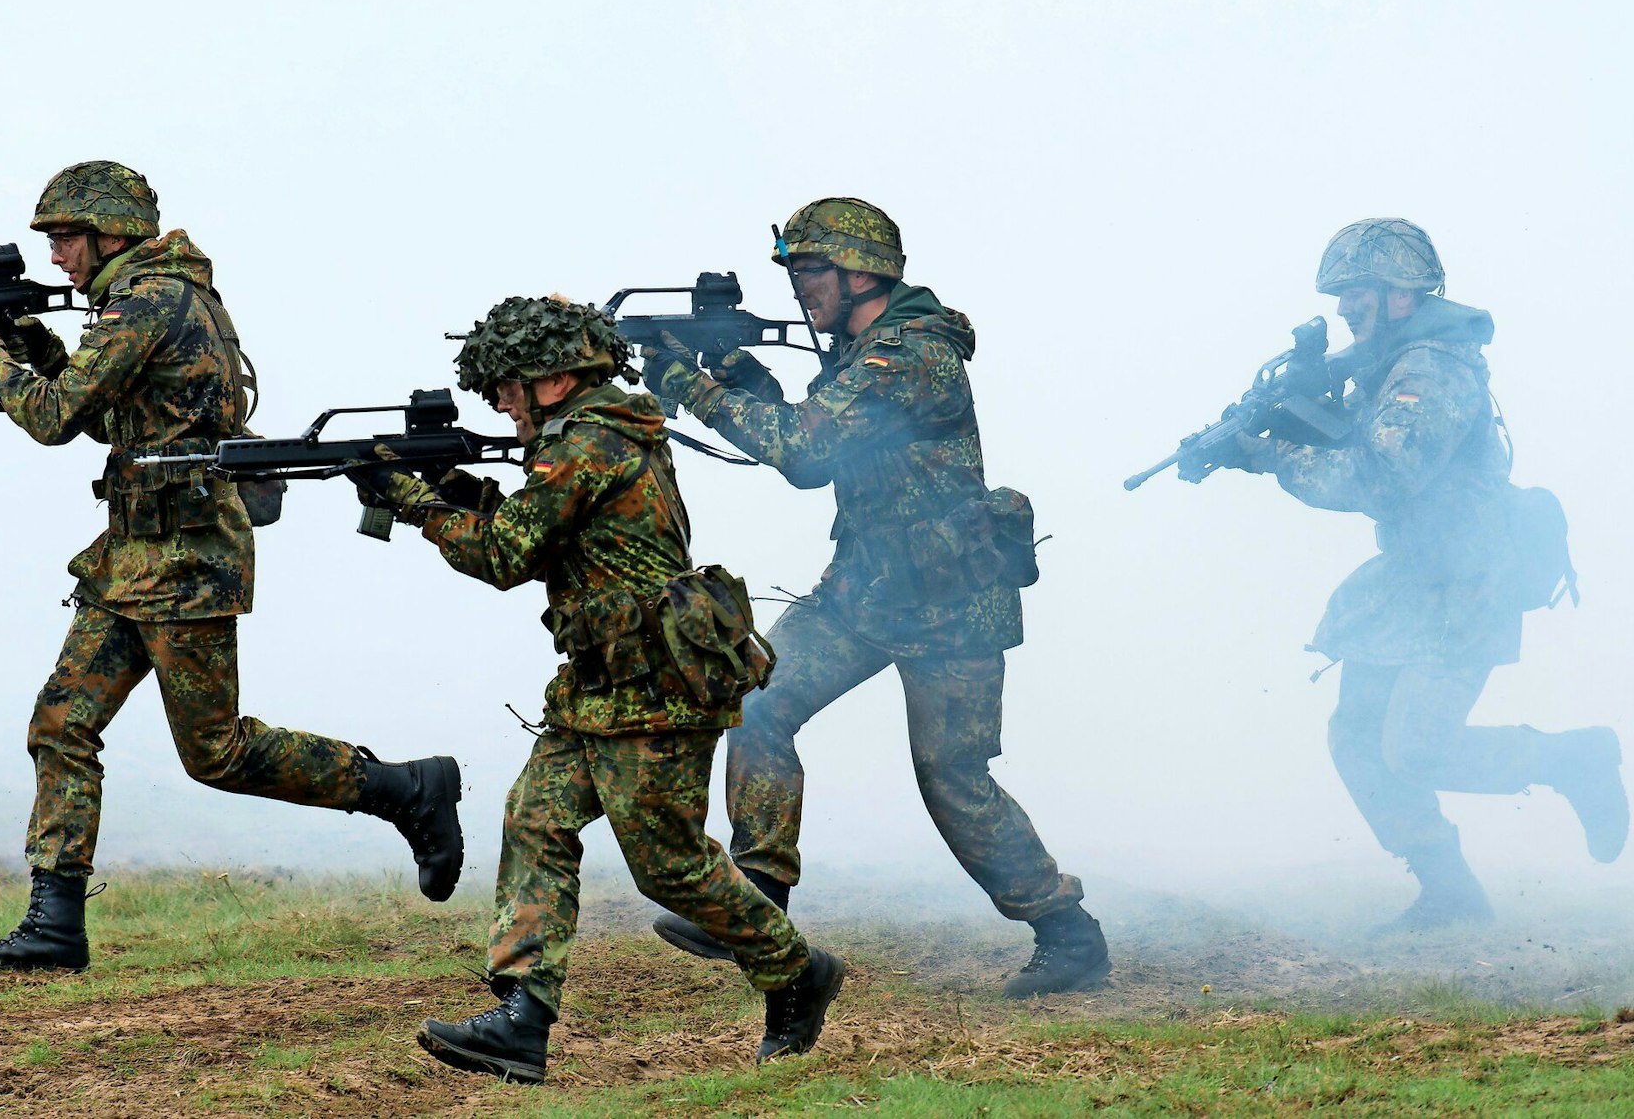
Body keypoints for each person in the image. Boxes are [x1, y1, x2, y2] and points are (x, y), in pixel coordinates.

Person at [0, 161, 463, 973]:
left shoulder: (150, 299)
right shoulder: (150, 295)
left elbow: (53, 416)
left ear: (112, 231)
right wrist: (32, 343)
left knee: (217, 752)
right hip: (132, 556)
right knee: (61, 724)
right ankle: (54, 924)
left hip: (184, 562)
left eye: (67, 239)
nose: (58, 258)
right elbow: (110, 410)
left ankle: (407, 790)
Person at [358, 296, 843, 1084]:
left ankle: (796, 971)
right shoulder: (586, 438)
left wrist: (414, 501)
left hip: (655, 688)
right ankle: (522, 1015)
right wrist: (445, 487)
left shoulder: (589, 442)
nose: (501, 403)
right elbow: (543, 529)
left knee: (671, 867)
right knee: (536, 816)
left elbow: (508, 554)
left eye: (509, 386)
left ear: (553, 378)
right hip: (601, 683)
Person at [640, 198, 1109, 997]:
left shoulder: (912, 356)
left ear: (864, 271)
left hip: (950, 603)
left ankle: (1067, 931)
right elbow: (823, 441)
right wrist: (745, 378)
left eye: (812, 270)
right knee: (759, 702)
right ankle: (758, 894)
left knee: (952, 777)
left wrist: (694, 386)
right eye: (795, 271)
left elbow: (802, 449)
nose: (799, 289)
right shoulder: (864, 351)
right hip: (861, 590)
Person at [1208, 217, 1627, 931]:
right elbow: (1360, 440)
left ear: (1400, 295)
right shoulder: (1390, 362)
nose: (1344, 308)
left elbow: (1382, 477)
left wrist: (1272, 455)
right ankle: (1449, 889)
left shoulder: (1433, 368)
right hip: (1417, 575)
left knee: (1417, 747)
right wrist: (1280, 424)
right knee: (1358, 737)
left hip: (1470, 581)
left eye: (1357, 294)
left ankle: (1574, 759)